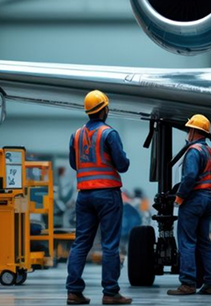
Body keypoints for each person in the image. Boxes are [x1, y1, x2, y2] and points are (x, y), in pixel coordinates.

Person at [66, 90, 132, 305]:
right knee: (110, 244)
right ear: (104, 109)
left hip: (84, 195)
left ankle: (74, 291)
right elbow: (122, 165)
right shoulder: (108, 134)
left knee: (81, 243)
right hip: (107, 194)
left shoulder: (76, 134)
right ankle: (110, 293)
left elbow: (75, 164)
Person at [167, 114, 211, 296]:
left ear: (192, 131)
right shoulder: (209, 151)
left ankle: (188, 283)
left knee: (187, 242)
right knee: (204, 242)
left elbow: (190, 176)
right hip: (208, 199)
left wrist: (180, 197)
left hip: (194, 200)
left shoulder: (194, 151)